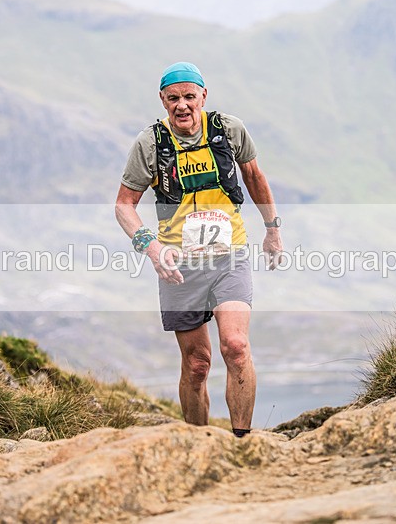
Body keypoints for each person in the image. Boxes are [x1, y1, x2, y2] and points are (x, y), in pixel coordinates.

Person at [115, 62, 282, 437]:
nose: (182, 106)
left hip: (230, 254)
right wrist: (151, 247)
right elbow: (124, 205)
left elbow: (254, 177)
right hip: (178, 264)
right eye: (173, 98)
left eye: (190, 97)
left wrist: (272, 230)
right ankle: (199, 442)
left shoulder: (229, 130)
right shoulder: (150, 144)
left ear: (204, 96)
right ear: (162, 100)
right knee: (196, 364)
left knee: (236, 346)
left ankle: (241, 442)